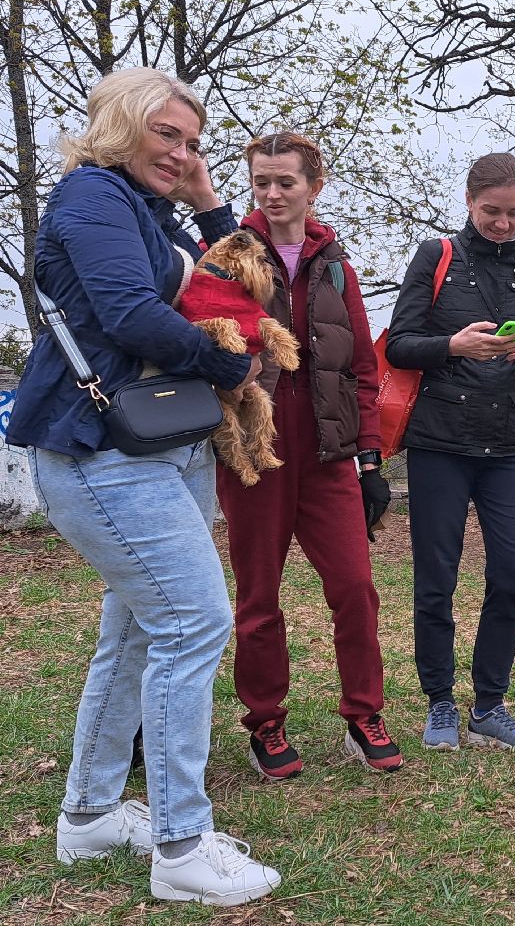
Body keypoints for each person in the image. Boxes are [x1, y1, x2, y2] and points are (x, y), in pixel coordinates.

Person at [6, 67, 280, 906]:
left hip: (161, 451)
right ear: (121, 124)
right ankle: (181, 846)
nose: (183, 151)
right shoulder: (91, 197)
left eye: (194, 141)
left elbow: (232, 278)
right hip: (102, 452)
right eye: (167, 134)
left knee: (134, 637)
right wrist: (229, 360)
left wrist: (204, 197)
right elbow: (130, 314)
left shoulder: (144, 208)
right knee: (193, 624)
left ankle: (89, 817)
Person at [211, 131, 402, 778]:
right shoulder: (227, 252)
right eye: (261, 181)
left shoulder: (336, 263)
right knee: (258, 595)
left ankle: (363, 713)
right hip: (255, 448)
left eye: (285, 181)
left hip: (328, 452)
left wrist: (370, 458)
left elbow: (363, 370)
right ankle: (265, 723)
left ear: (314, 187)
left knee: (355, 587)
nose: (271, 193)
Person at [385, 152, 515, 751]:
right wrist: (453, 344)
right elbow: (402, 345)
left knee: (511, 576)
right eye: (491, 211)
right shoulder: (436, 257)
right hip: (440, 442)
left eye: (513, 213)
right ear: (469, 202)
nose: (502, 223)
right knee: (436, 579)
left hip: (511, 443)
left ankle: (490, 703)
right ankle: (440, 701)